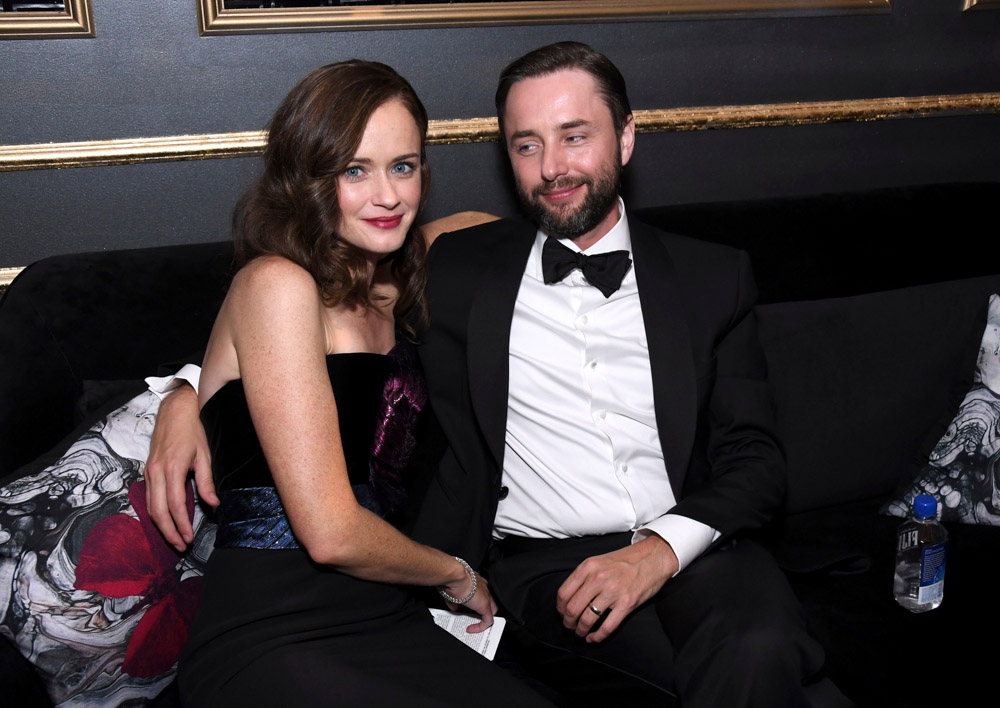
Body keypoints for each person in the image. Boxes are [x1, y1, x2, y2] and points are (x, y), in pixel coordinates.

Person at [149, 45, 835, 707]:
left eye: (403, 166)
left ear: (626, 138)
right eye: (527, 144)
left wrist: (660, 550)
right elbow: (268, 334)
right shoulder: (454, 271)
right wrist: (183, 394)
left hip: (683, 543)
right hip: (480, 575)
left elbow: (757, 460)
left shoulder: (431, 265)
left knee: (754, 647)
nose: (553, 167)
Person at [169, 60, 550, 707]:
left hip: (381, 615)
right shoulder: (277, 283)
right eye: (355, 170)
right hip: (272, 628)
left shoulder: (392, 287)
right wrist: (456, 576)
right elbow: (331, 531)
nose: (388, 194)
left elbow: (475, 227)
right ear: (307, 177)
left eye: (403, 166)